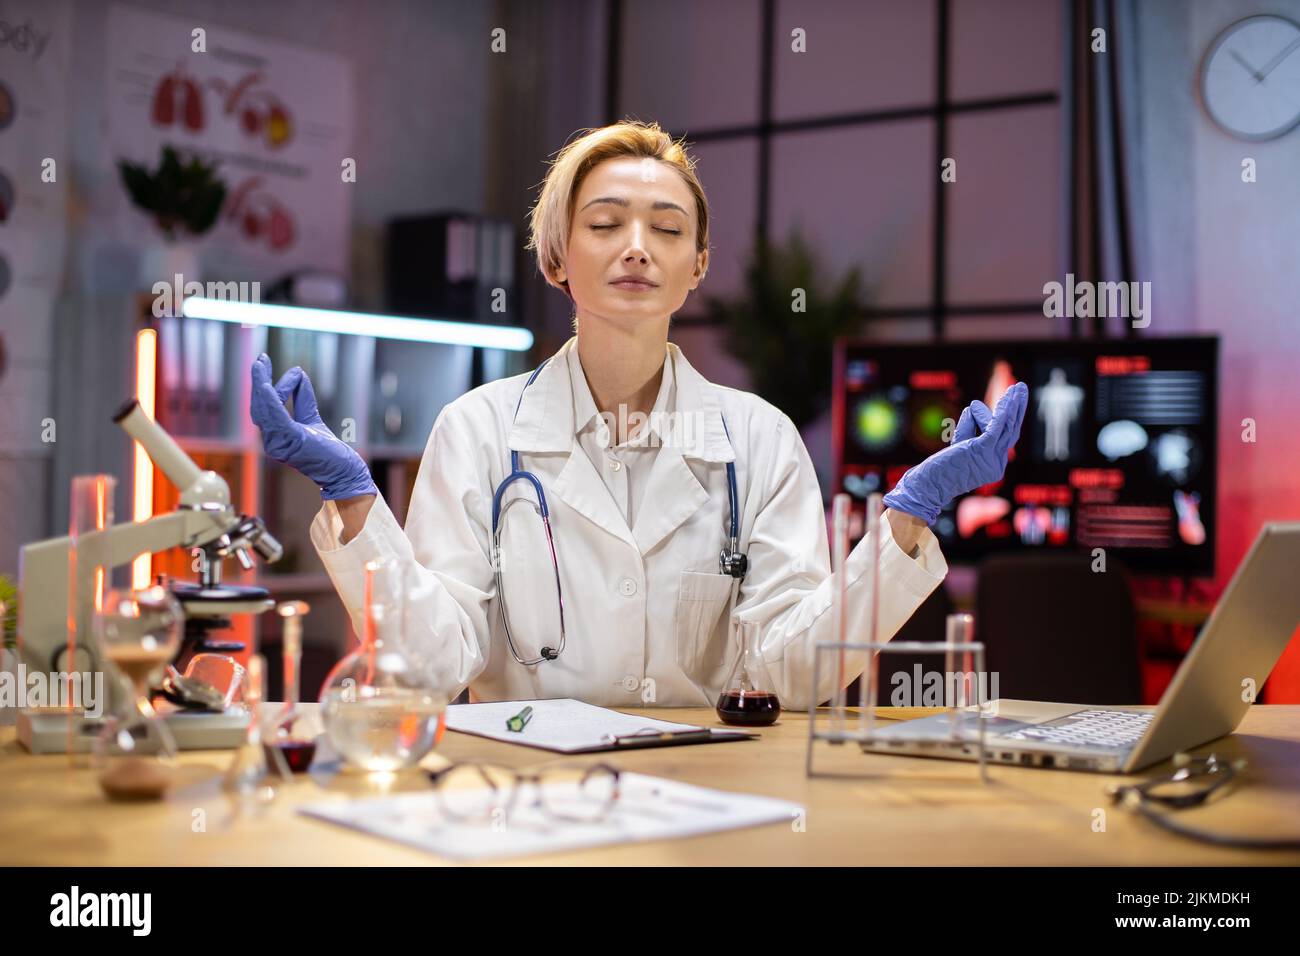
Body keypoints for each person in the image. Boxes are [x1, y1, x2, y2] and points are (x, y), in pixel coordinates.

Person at [249, 119, 1028, 708]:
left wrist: (905, 518)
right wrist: (353, 497)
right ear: (555, 257)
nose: (637, 248)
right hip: (523, 796)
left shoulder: (758, 439)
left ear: (698, 266)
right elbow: (427, 663)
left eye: (666, 229)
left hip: (711, 795)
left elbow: (796, 670)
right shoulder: (477, 430)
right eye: (604, 223)